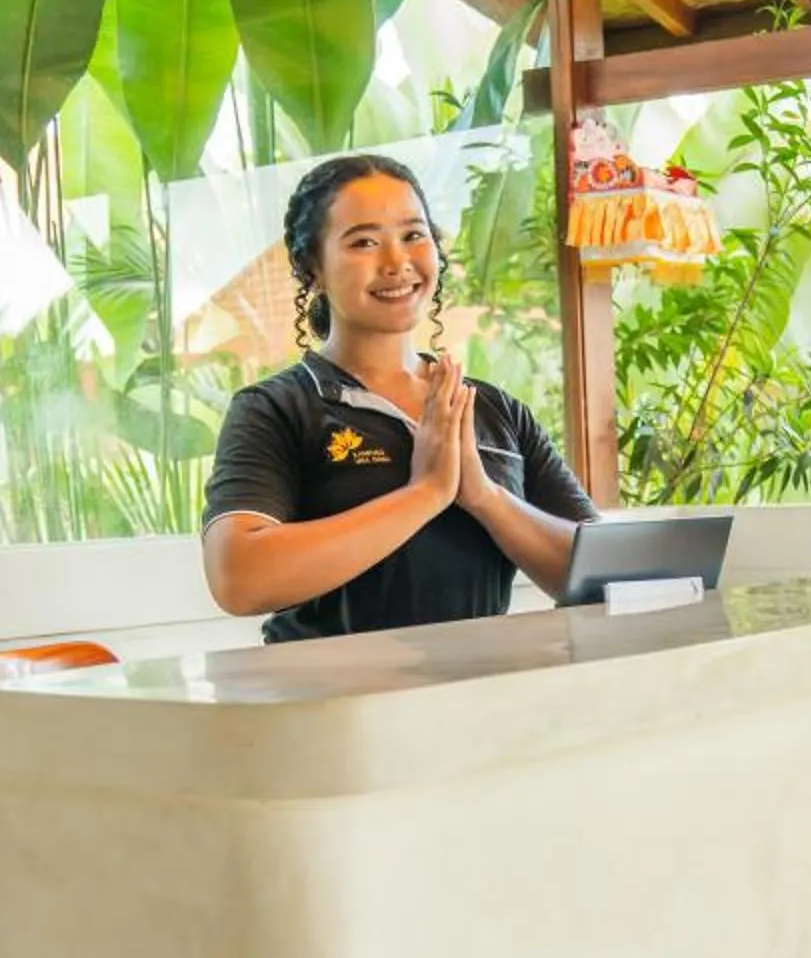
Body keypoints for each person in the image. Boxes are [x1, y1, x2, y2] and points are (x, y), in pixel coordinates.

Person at [202, 153, 594, 642]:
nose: (396, 263)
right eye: (364, 242)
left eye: (413, 235)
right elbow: (238, 578)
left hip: (479, 696)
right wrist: (424, 494)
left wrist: (485, 497)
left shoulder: (493, 410)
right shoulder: (277, 408)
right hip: (333, 706)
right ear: (312, 267)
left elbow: (598, 573)